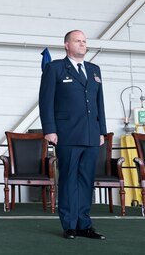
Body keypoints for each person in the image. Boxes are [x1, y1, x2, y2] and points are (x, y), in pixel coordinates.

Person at [39, 30, 107, 240]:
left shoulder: (94, 69)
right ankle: (69, 225)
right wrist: (49, 129)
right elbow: (46, 100)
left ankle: (84, 224)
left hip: (91, 135)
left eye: (84, 41)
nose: (82, 44)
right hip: (67, 134)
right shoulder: (55, 68)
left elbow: (99, 103)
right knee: (69, 179)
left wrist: (102, 130)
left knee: (87, 180)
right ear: (67, 45)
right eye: (78, 41)